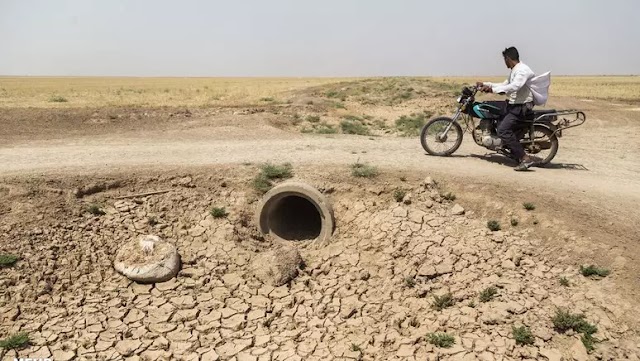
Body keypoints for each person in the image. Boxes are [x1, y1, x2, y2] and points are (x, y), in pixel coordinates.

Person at [476, 47, 537, 171]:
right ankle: (503, 143)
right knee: (491, 107)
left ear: (508, 58)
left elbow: (515, 86)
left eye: (505, 59)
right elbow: (505, 84)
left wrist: (492, 90)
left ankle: (525, 158)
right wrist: (487, 84)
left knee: (503, 130)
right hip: (513, 103)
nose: (504, 62)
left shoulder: (522, 70)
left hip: (520, 107)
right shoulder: (515, 69)